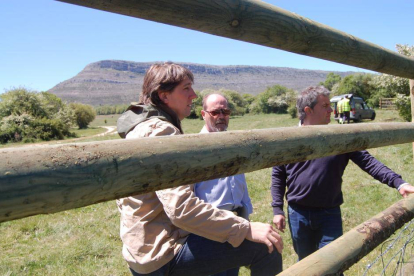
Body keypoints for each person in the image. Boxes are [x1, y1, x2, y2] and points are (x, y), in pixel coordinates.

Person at [117, 63, 283, 276]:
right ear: (164, 96)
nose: (193, 95)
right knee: (266, 248)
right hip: (163, 253)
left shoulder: (142, 128)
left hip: (142, 248)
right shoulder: (161, 131)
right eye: (186, 88)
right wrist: (246, 228)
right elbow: (181, 209)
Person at [271, 86, 414, 262]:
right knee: (306, 263)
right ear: (308, 110)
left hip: (329, 214)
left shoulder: (340, 137)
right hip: (298, 213)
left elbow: (368, 162)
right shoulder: (288, 139)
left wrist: (399, 183)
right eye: (325, 106)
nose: (332, 110)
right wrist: (277, 209)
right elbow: (278, 175)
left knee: (334, 263)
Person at [195, 94, 253, 276]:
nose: (221, 116)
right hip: (209, 227)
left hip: (236, 221)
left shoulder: (234, 142)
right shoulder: (194, 148)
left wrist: (246, 213)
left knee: (231, 272)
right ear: (203, 114)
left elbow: (239, 181)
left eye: (225, 111)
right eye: (215, 112)